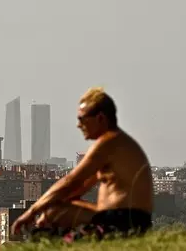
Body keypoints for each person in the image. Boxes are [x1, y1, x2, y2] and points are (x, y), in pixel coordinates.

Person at [11, 87, 154, 241]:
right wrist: (53, 205)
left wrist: (31, 212)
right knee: (55, 210)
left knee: (55, 212)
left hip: (121, 222)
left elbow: (70, 181)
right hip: (128, 220)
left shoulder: (107, 144)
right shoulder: (116, 144)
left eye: (82, 119)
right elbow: (79, 187)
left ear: (100, 118)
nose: (79, 125)